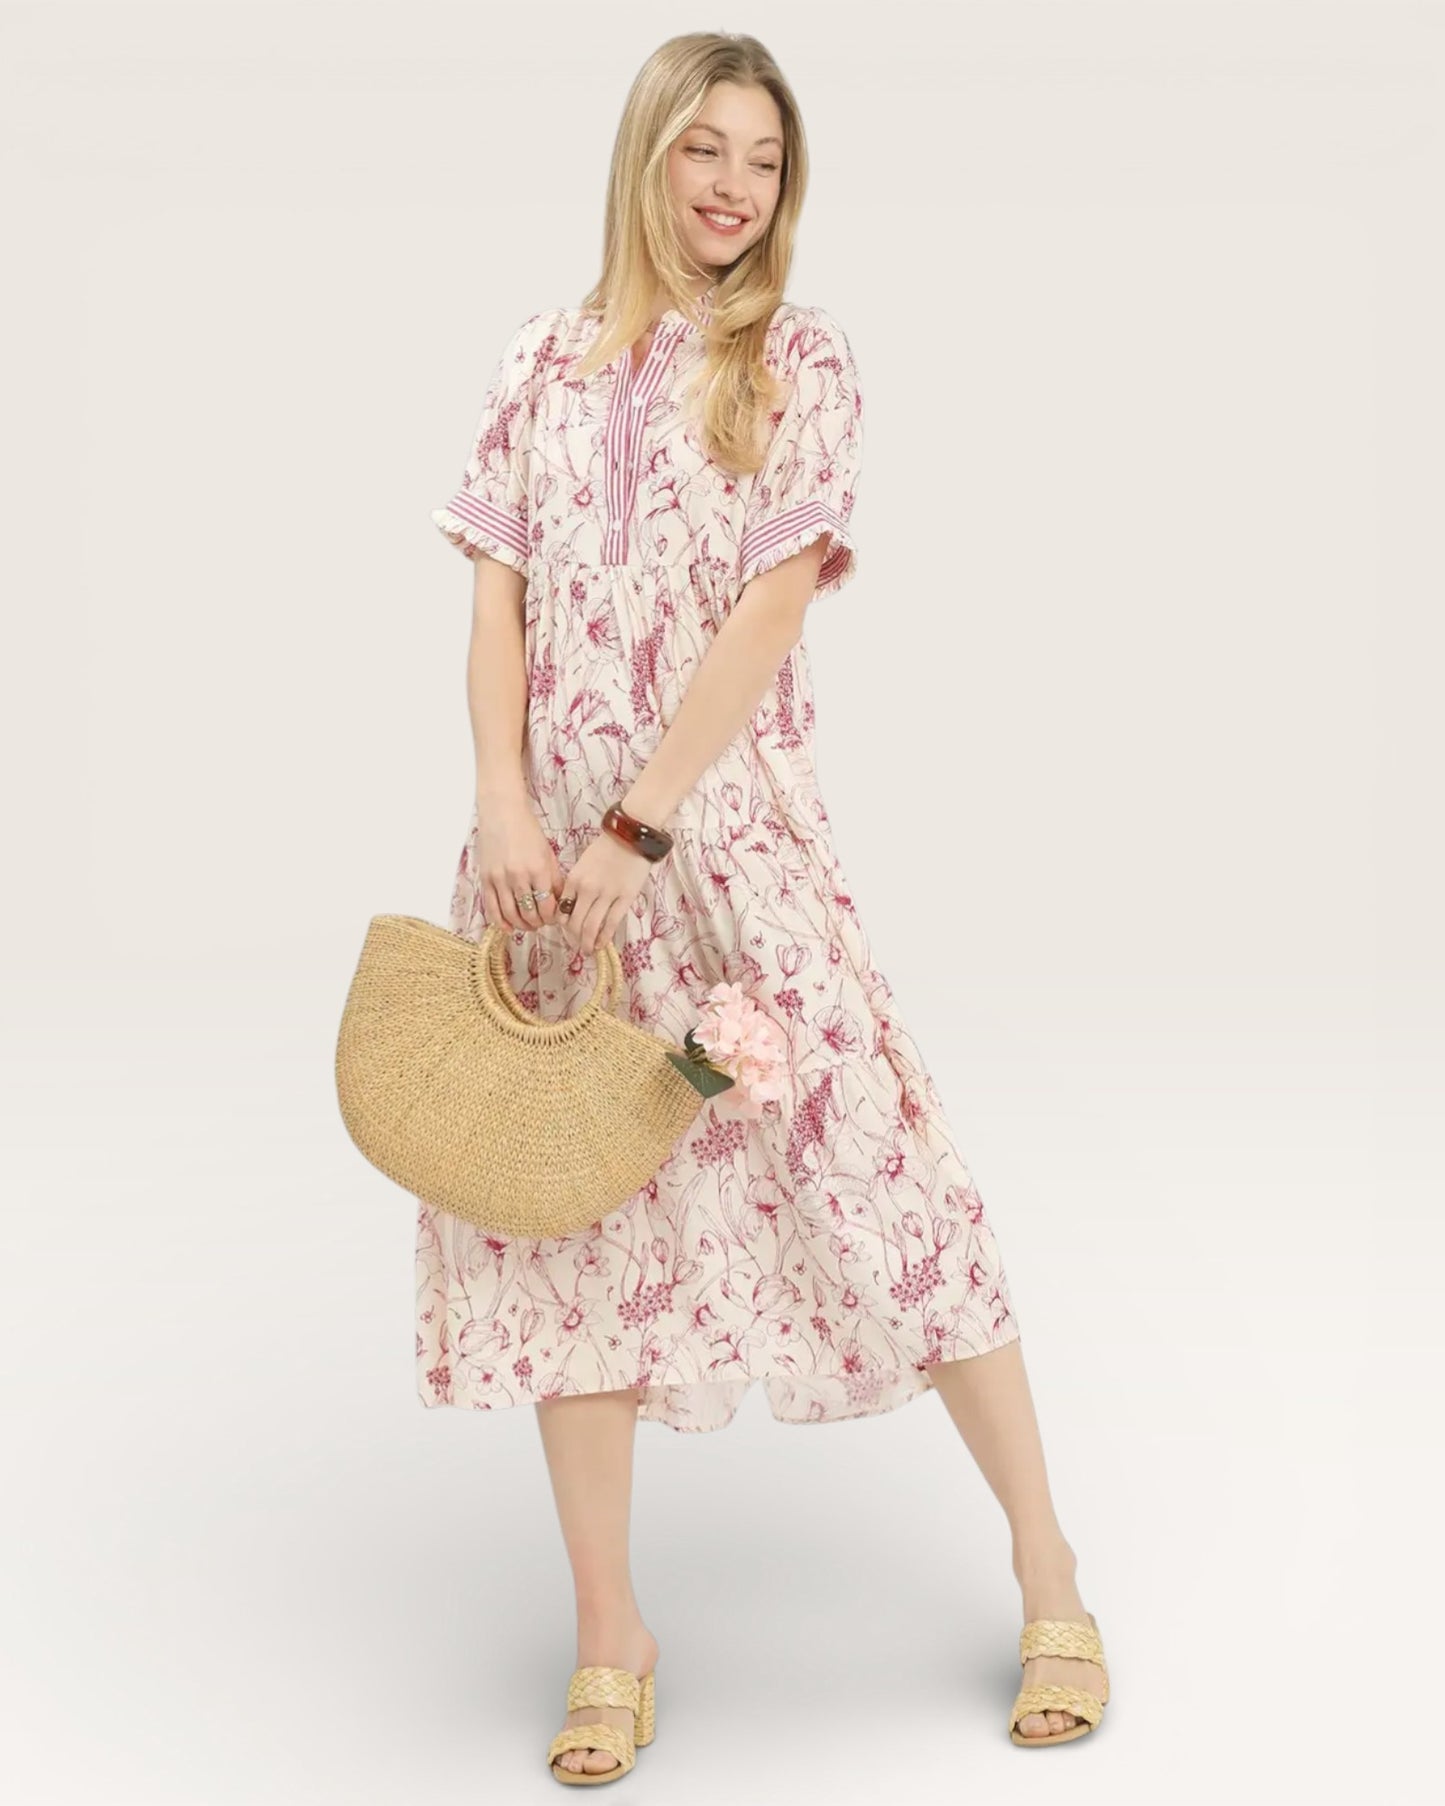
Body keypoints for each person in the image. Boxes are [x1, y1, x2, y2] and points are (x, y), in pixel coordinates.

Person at [419, 30, 1110, 1784]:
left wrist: (639, 828)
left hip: (723, 854)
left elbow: (769, 613)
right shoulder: (537, 359)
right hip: (546, 880)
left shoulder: (799, 360)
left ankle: (1047, 1567)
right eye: (705, 149)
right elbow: (493, 600)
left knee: (887, 1185)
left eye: (766, 162)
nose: (734, 186)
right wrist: (507, 802)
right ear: (647, 151)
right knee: (560, 1222)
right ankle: (609, 1635)